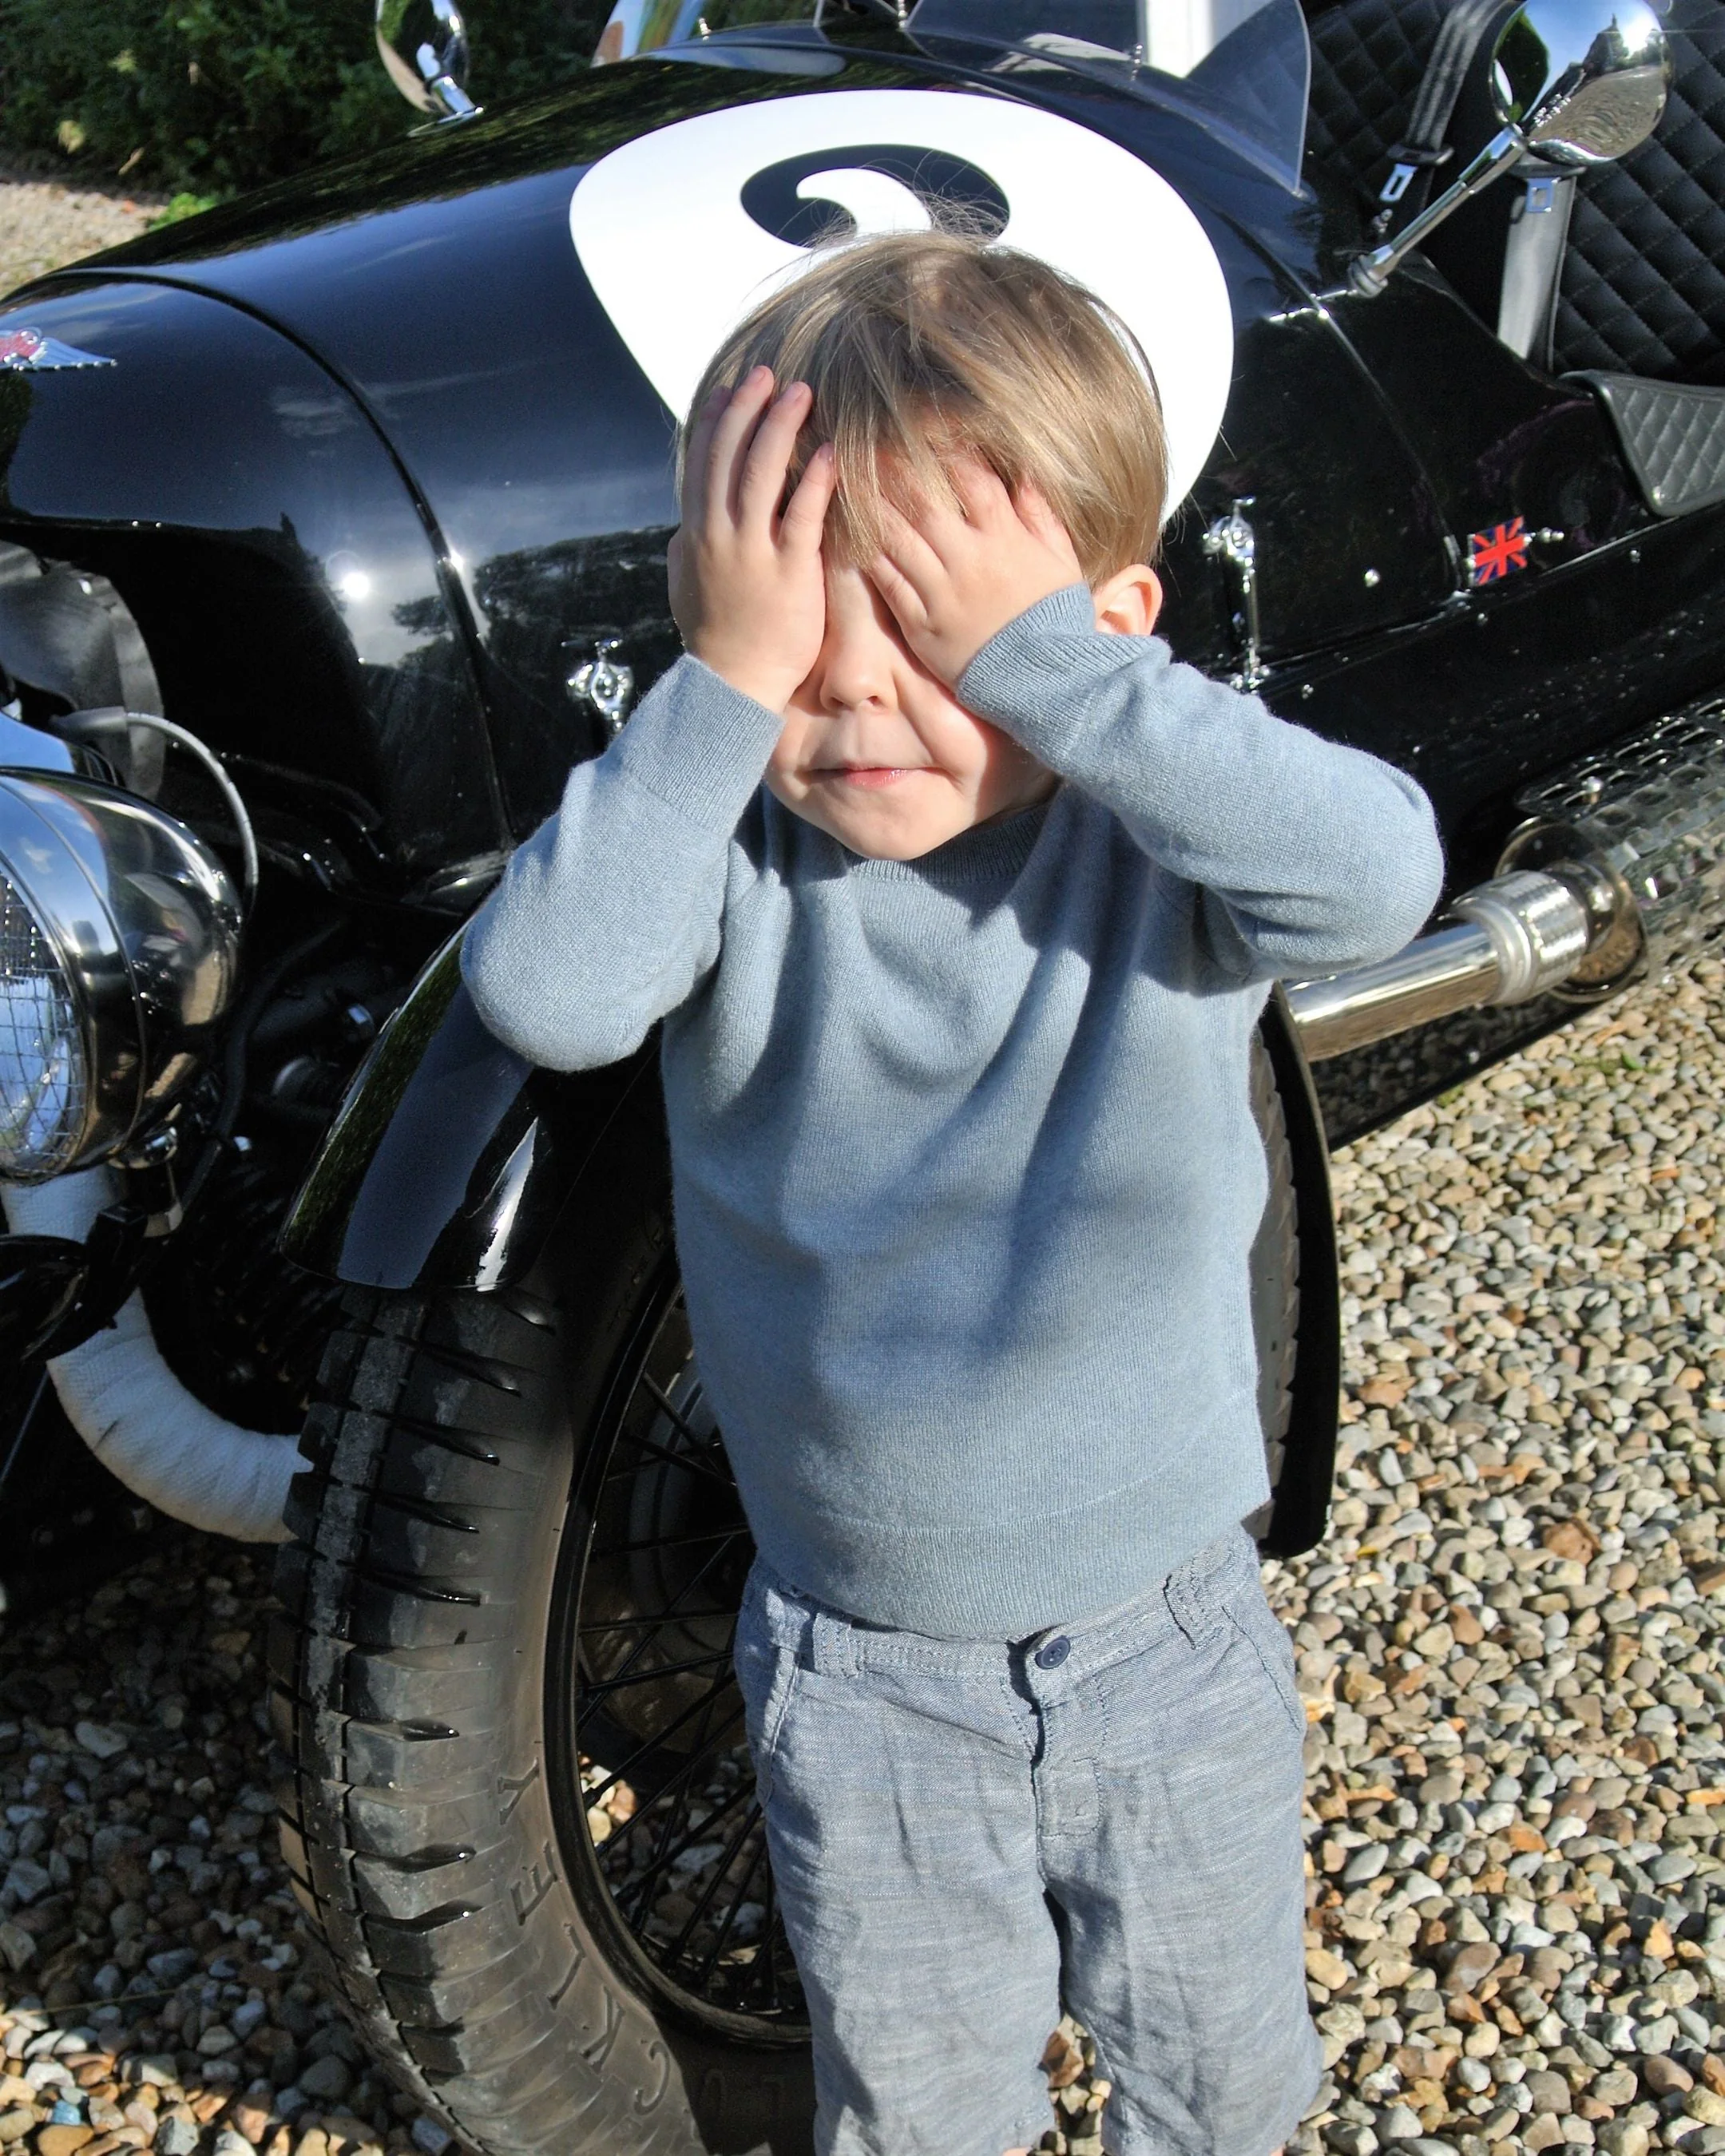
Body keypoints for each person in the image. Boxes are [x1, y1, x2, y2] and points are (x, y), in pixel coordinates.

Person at [462, 231, 1445, 2156]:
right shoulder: (736, 851)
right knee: (916, 2110)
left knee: (1220, 2083)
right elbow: (550, 996)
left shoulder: (1155, 846)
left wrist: (1059, 677)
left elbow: (1379, 878)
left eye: (935, 641)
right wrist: (715, 688)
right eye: (798, 651)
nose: (854, 701)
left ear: (1105, 633)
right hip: (862, 1667)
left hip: (1167, 1633)